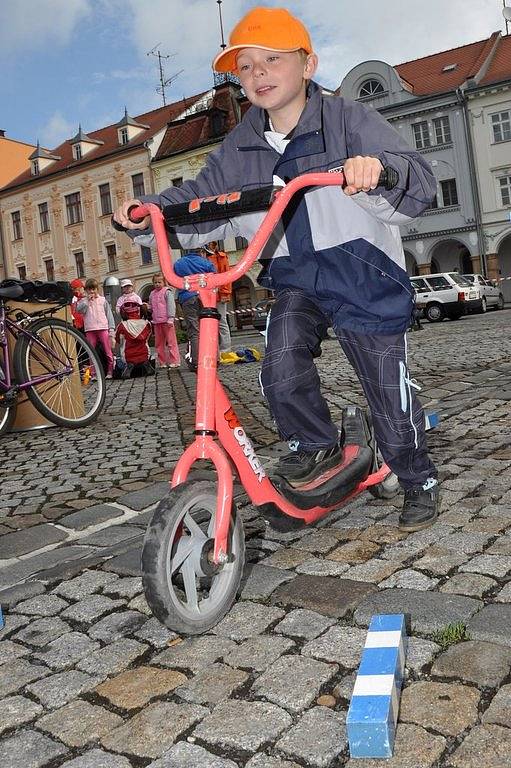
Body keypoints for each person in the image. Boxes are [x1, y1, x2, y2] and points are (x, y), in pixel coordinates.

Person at [113, 6, 439, 532]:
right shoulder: (242, 143)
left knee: (388, 396)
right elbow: (200, 199)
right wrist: (146, 213)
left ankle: (417, 477)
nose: (257, 73)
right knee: (280, 366)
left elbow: (416, 177)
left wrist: (376, 169)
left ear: (307, 65)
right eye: (245, 67)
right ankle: (313, 446)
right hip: (297, 278)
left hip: (363, 275)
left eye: (271, 60)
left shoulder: (348, 119)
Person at [174, 251, 216, 372]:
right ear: (201, 252)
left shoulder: (178, 263)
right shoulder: (206, 262)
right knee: (209, 328)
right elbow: (214, 278)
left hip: (187, 298)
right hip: (205, 297)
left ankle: (197, 362)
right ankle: (214, 359)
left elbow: (172, 280)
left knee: (194, 330)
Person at [76, 278, 115, 379]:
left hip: (102, 328)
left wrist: (111, 329)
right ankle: (93, 374)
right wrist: (86, 301)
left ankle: (110, 371)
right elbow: (79, 311)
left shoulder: (102, 300)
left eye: (94, 289)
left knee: (108, 351)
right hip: (90, 329)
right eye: (89, 289)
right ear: (86, 290)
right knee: (91, 352)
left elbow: (109, 315)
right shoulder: (83, 301)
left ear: (97, 289)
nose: (92, 291)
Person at [203, 241, 232, 355]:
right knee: (211, 322)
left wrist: (225, 293)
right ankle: (215, 348)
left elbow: (226, 276)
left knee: (221, 321)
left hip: (219, 294)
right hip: (208, 294)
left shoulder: (221, 257)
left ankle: (225, 348)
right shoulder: (204, 257)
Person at [148, 273, 181, 369]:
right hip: (157, 322)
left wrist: (171, 317)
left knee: (171, 342)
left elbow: (171, 305)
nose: (157, 284)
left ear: (164, 282)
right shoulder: (152, 294)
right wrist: (147, 307)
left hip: (167, 321)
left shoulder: (167, 292)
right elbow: (151, 306)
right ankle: (162, 361)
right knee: (159, 344)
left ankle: (175, 360)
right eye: (155, 282)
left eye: (159, 282)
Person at [115, 300, 152, 378]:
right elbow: (149, 335)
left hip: (128, 355)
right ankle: (146, 364)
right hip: (144, 353)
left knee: (125, 351)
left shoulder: (122, 325)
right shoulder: (146, 323)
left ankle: (129, 367)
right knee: (144, 349)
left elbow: (118, 339)